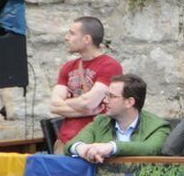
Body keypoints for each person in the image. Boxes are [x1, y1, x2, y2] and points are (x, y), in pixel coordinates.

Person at [50, 16, 123, 153]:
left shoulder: (110, 66)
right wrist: (86, 108)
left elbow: (89, 103)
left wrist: (66, 102)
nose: (66, 38)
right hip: (65, 142)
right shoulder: (68, 67)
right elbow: (54, 105)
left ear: (87, 39)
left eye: (72, 33)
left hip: (95, 142)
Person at [65, 74, 171, 161]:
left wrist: (111, 147)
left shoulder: (158, 126)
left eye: (112, 96)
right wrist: (82, 149)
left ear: (129, 102)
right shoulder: (101, 122)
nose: (105, 100)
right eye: (107, 95)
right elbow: (70, 145)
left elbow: (151, 149)